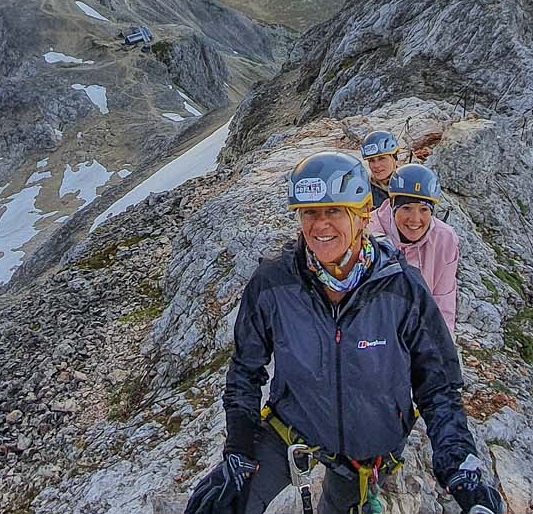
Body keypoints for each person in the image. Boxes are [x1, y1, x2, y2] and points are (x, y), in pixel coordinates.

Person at [184, 151, 506, 514]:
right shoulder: (273, 284)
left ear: (363, 215)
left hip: (368, 444)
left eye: (334, 211)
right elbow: (245, 371)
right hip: (293, 424)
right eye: (310, 213)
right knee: (219, 505)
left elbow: (439, 388)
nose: (320, 226)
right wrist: (239, 450)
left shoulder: (402, 290)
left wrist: (459, 465)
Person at [371, 164, 461, 336]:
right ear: (392, 205)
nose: (415, 219)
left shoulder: (444, 239)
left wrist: (441, 353)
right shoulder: (370, 234)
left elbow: (443, 302)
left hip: (420, 332)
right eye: (406, 208)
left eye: (424, 209)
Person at [360, 130, 401, 209]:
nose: (376, 165)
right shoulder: (365, 191)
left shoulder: (410, 183)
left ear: (394, 158)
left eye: (382, 159)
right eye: (371, 160)